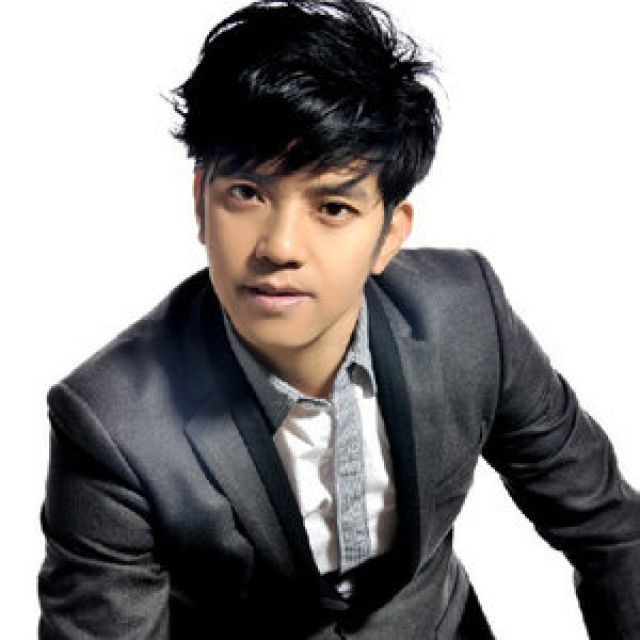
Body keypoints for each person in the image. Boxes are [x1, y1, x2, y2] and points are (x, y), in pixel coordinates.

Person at [38, 0, 640, 637]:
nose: (280, 247)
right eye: (246, 193)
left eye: (332, 208)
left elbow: (610, 530)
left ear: (389, 235)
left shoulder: (468, 316)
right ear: (200, 203)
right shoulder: (110, 421)